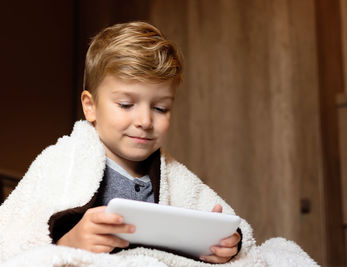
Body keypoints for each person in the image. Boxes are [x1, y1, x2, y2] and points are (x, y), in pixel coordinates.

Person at [0, 21, 318, 267]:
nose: (145, 121)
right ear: (90, 106)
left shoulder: (174, 175)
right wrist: (70, 243)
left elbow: (230, 227)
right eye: (126, 104)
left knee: (280, 253)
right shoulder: (61, 162)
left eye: (160, 108)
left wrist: (228, 242)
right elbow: (13, 243)